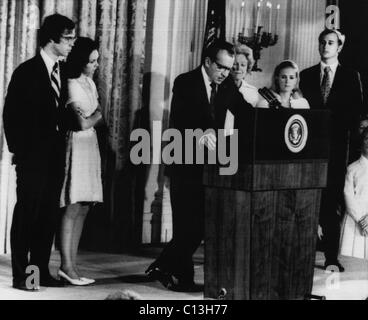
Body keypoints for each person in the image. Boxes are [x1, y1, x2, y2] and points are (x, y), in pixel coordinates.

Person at [145, 40, 251, 292]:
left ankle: (164, 266)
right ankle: (182, 277)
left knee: (200, 225)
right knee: (187, 225)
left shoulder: (226, 87)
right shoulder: (185, 82)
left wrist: (269, 114)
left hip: (210, 167)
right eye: (221, 67)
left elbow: (245, 111)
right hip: (185, 162)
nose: (226, 72)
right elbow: (181, 119)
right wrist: (201, 134)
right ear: (207, 62)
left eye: (229, 68)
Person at [2, 14, 75, 291]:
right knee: (28, 216)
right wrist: (22, 152)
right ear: (51, 39)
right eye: (67, 38)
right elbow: (11, 116)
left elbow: (56, 113)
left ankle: (40, 272)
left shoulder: (62, 70)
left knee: (46, 217)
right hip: (33, 159)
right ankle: (24, 277)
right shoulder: (27, 71)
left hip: (55, 157)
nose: (71, 44)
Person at [300, 29, 364, 272]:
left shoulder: (350, 76)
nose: (325, 46)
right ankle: (304, 253)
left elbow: (356, 113)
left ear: (339, 47)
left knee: (331, 204)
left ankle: (330, 257)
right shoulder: (305, 76)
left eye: (331, 43)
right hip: (308, 150)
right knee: (308, 201)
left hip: (337, 151)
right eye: (322, 42)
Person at [58, 37, 103, 285]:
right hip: (77, 144)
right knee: (73, 205)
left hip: (90, 145)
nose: (95, 65)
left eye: (97, 61)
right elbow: (81, 122)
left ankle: (72, 266)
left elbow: (94, 117)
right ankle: (66, 265)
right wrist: (95, 115)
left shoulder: (89, 83)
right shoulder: (72, 84)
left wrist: (93, 117)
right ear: (80, 61)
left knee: (85, 206)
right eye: (91, 61)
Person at [340, 127, 368, 260]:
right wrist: (362, 220)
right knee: (352, 260)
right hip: (354, 221)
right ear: (362, 142)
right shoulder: (352, 168)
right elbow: (348, 196)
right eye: (367, 139)